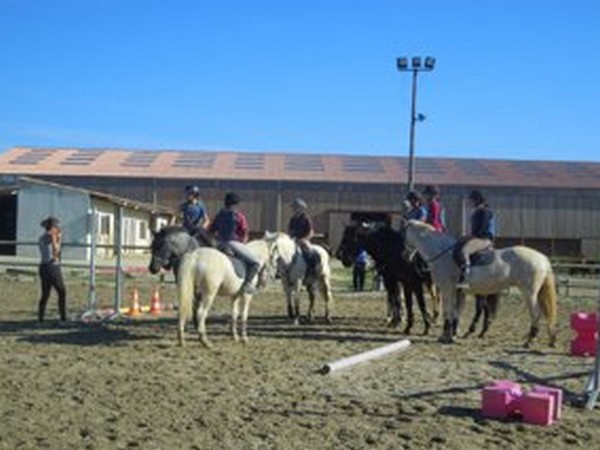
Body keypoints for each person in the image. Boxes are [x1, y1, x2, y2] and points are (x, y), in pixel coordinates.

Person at [209, 192, 260, 295]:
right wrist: (243, 243)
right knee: (255, 263)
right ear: (236, 203)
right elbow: (245, 232)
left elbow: (211, 230)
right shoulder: (239, 216)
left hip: (218, 244)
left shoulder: (219, 215)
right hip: (233, 243)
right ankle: (247, 285)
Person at [455, 189, 496, 289]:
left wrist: (468, 237)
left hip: (485, 239)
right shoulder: (479, 211)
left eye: (471, 200)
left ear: (476, 200)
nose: (470, 202)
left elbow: (480, 231)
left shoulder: (484, 211)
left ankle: (466, 278)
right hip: (480, 238)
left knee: (465, 251)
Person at [37, 216, 67, 323]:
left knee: (45, 293)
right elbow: (55, 253)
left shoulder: (42, 237)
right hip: (52, 267)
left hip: (44, 267)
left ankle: (41, 317)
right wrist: (57, 238)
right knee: (61, 291)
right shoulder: (50, 238)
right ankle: (63, 318)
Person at [287, 198, 318, 280]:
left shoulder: (306, 219)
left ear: (301, 208)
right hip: (293, 241)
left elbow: (311, 232)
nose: (294, 209)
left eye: (296, 207)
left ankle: (311, 271)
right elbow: (290, 231)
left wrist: (304, 239)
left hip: (303, 241)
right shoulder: (292, 219)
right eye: (293, 208)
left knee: (308, 253)